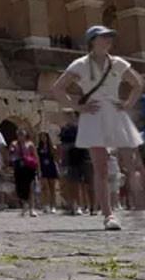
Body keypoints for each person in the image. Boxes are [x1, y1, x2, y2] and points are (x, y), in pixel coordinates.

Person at [52, 25, 144, 231]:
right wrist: (77, 107)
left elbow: (137, 83)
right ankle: (108, 215)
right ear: (92, 40)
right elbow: (58, 88)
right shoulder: (81, 64)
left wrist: (128, 103)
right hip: (93, 113)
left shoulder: (118, 62)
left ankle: (139, 208)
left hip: (115, 110)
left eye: (110, 38)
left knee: (132, 164)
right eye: (104, 37)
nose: (108, 41)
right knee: (100, 167)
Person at [59, 110, 90, 215]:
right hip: (70, 158)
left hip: (82, 156)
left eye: (71, 115)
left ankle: (85, 205)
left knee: (84, 184)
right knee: (71, 183)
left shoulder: (82, 127)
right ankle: (74, 205)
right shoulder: (65, 130)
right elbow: (63, 145)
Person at [10, 128, 39, 217]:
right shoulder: (14, 144)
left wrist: (38, 168)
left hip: (29, 167)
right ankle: (24, 205)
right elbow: (10, 154)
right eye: (19, 134)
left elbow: (35, 156)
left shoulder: (30, 144)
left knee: (31, 187)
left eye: (22, 133)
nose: (21, 135)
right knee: (20, 187)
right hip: (19, 167)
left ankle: (32, 208)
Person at [36, 131, 60, 214]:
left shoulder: (52, 147)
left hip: (51, 167)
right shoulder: (38, 148)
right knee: (45, 188)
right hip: (43, 168)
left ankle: (53, 205)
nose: (43, 139)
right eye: (41, 137)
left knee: (52, 188)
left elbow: (56, 158)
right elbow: (38, 160)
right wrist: (39, 170)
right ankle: (46, 204)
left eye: (44, 137)